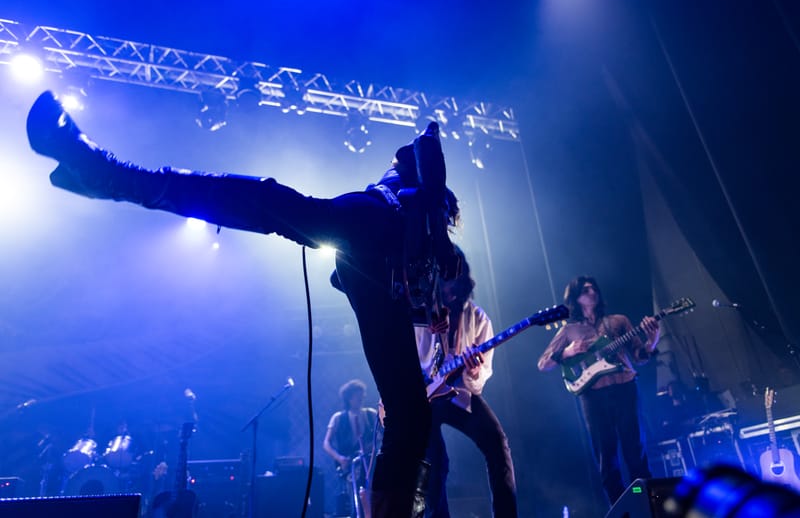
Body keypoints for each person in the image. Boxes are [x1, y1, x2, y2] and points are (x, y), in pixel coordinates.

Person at [25, 91, 461, 518]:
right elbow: (427, 140)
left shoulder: (418, 248)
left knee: (410, 414)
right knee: (269, 204)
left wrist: (428, 309)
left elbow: (400, 287)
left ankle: (107, 175)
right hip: (368, 223)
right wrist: (441, 242)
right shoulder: (430, 201)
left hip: (367, 261)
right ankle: (109, 172)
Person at [537, 276, 660, 506]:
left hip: (625, 388)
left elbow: (639, 357)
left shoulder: (618, 321)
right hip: (593, 396)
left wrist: (652, 342)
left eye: (594, 288)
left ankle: (644, 504)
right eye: (586, 290)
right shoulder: (569, 331)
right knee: (607, 457)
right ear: (575, 297)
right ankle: (621, 509)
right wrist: (567, 352)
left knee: (635, 451)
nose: (592, 292)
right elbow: (543, 364)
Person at [417, 246, 517, 517]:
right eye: (444, 279)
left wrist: (473, 372)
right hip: (424, 399)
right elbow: (411, 361)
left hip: (457, 394)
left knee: (497, 444)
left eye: (455, 279)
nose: (450, 287)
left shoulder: (478, 318)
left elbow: (477, 385)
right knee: (435, 462)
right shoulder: (420, 313)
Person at [323, 379, 381, 517]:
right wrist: (340, 458)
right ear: (349, 398)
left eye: (362, 395)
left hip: (369, 464)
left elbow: (380, 436)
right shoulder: (338, 418)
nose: (361, 398)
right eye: (357, 396)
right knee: (354, 499)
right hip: (350, 466)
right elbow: (326, 443)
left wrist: (369, 448)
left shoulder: (371, 414)